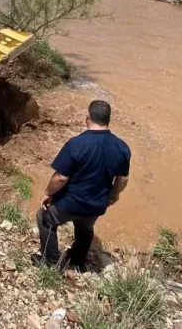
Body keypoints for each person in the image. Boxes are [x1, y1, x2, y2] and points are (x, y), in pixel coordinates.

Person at [33, 100, 130, 271]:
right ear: (108, 120)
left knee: (44, 217)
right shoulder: (122, 147)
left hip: (71, 202)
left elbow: (61, 178)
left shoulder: (76, 144)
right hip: (97, 204)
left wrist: (48, 193)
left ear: (88, 118)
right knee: (85, 227)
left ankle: (51, 261)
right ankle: (78, 261)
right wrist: (115, 194)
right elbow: (123, 179)